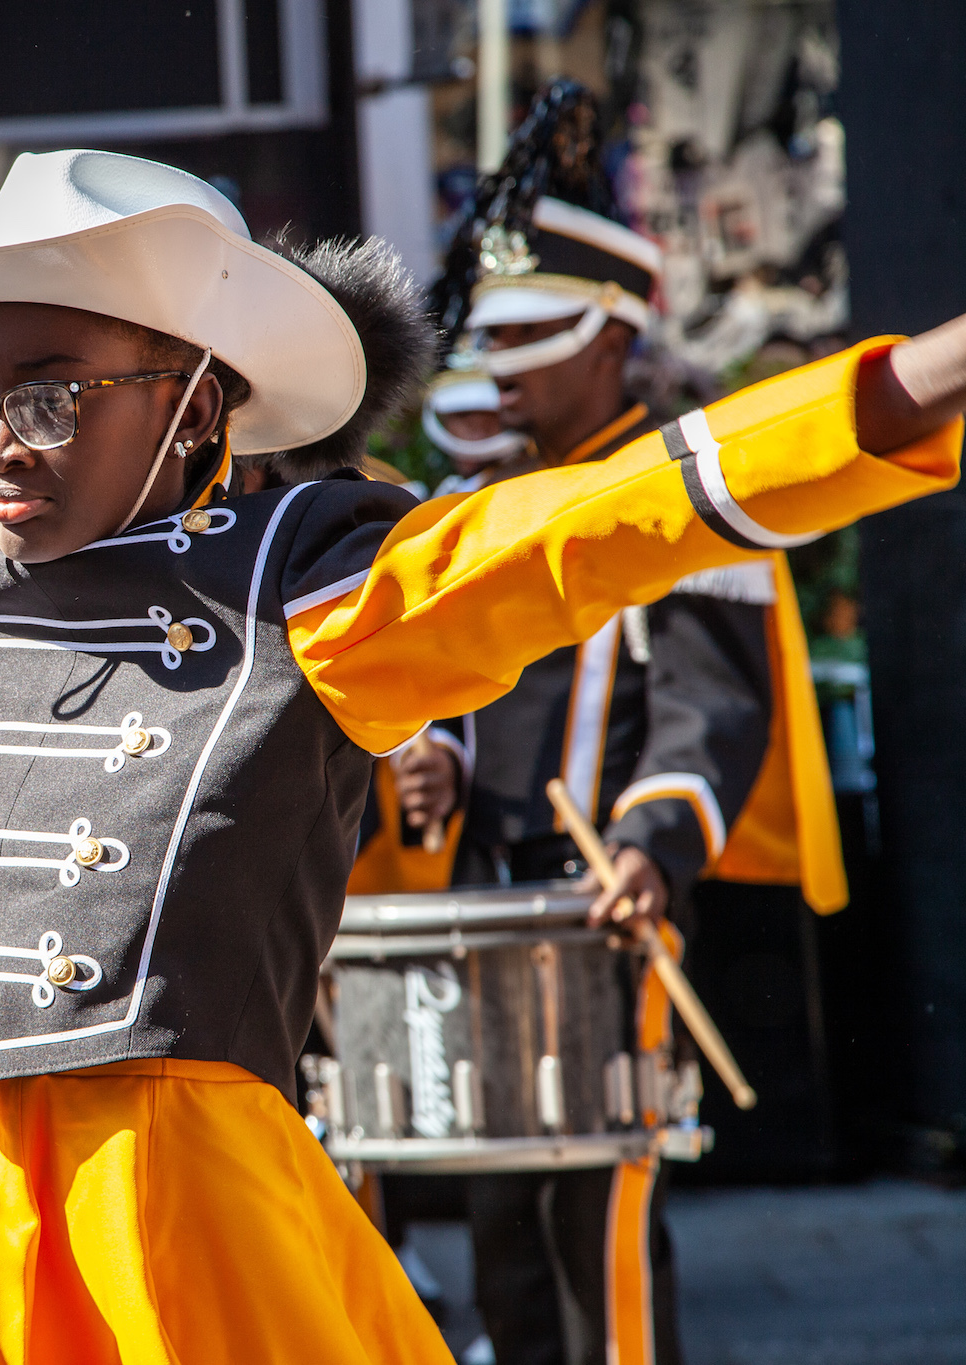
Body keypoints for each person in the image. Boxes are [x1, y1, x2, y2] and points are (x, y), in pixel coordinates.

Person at [0, 132, 966, 1363]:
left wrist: (931, 381)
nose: (1, 440)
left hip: (184, 1197)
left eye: (54, 393)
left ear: (203, 400)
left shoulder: (324, 596)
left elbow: (611, 522)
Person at [405, 83, 858, 1365]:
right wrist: (428, 756)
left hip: (608, 904)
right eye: (492, 334)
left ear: (610, 334)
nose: (499, 360)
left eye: (531, 333)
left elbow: (711, 707)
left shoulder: (681, 498)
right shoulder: (471, 499)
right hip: (482, 903)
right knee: (500, 1224)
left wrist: (656, 843)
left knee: (594, 1222)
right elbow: (441, 687)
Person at [423, 366, 532, 496]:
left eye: (490, 414)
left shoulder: (525, 482)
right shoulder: (451, 488)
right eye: (463, 415)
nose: (478, 429)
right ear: (445, 421)